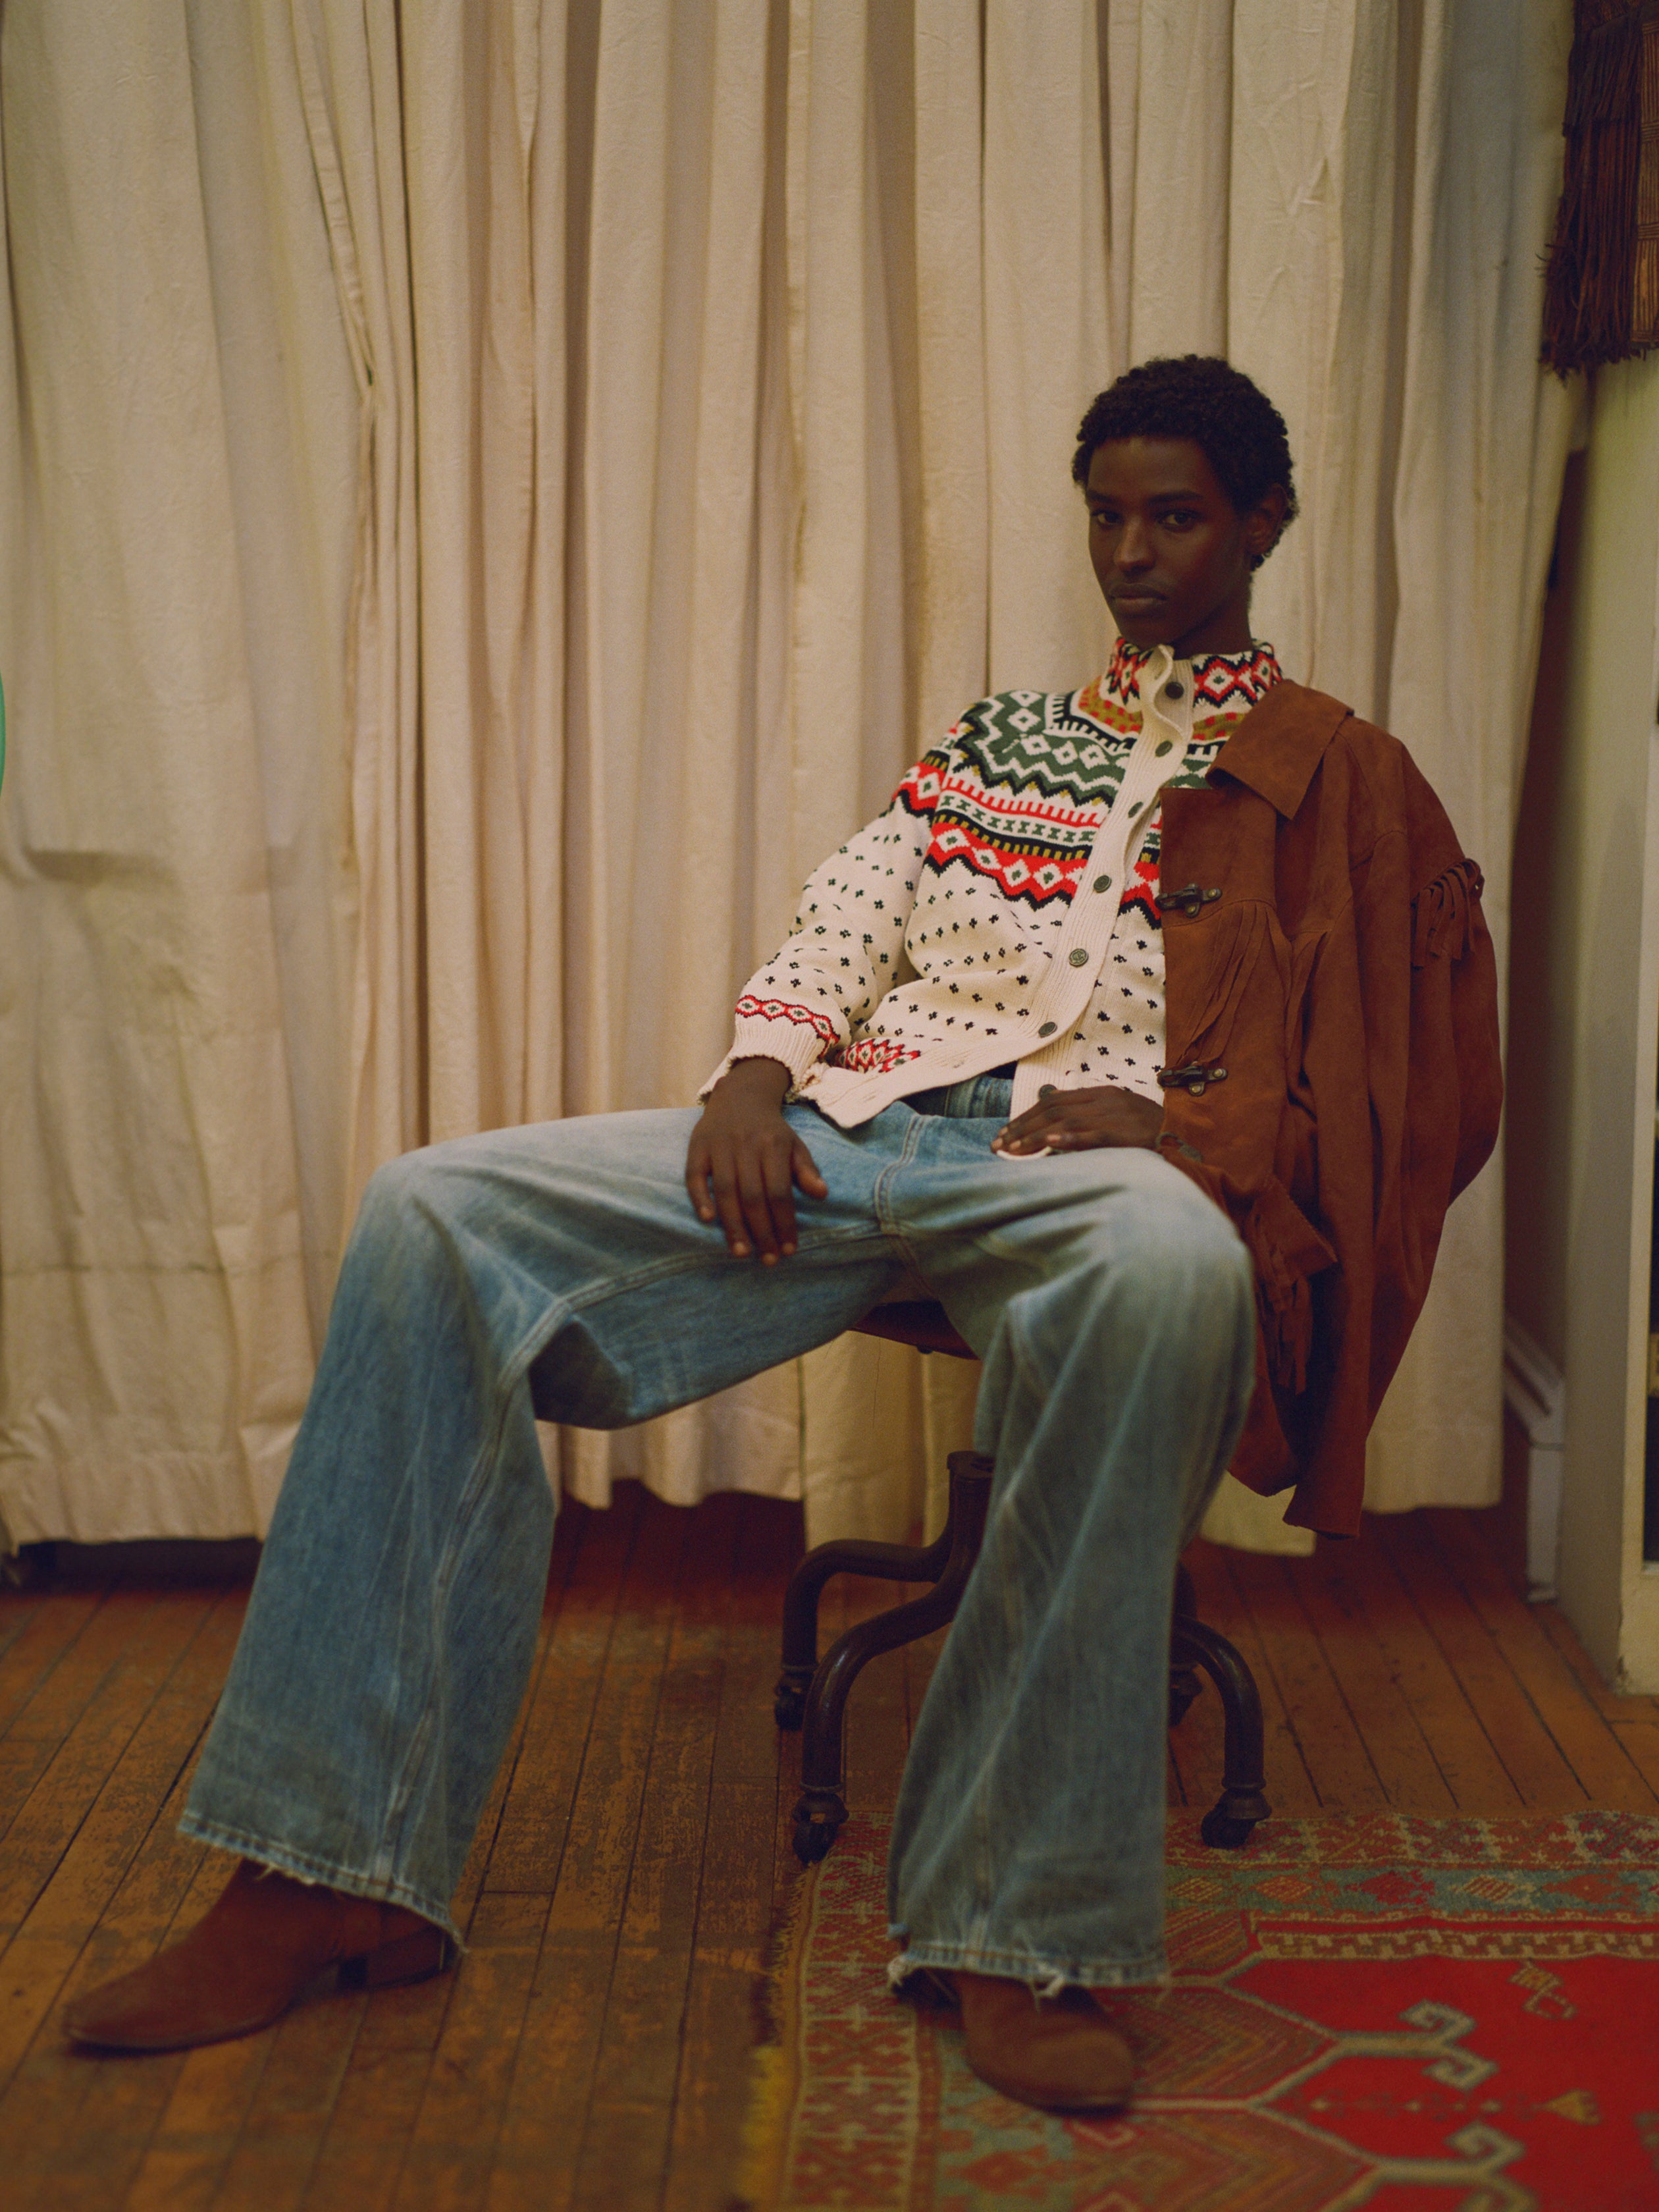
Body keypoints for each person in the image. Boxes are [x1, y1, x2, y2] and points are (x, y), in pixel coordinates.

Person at [65, 356, 1500, 2114]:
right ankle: (324, 1872)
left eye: (1177, 518)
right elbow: (849, 917)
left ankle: (1012, 1925)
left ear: (1264, 523)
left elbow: (1418, 1084)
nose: (1134, 554)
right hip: (855, 1130)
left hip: (1086, 1168)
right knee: (434, 1210)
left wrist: (1185, 1131)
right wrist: (757, 1075)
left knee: (1171, 1266)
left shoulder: (1341, 773)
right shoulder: (995, 741)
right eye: (1109, 517)